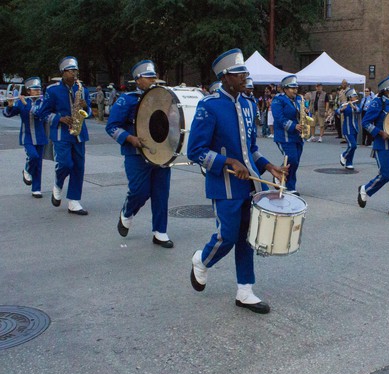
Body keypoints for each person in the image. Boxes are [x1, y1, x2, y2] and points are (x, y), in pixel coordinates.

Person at [187, 48, 287, 314]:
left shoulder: (248, 104)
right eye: (240, 73)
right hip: (225, 184)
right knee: (228, 235)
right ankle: (202, 259)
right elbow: (195, 150)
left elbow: (251, 147)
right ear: (225, 76)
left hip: (250, 185)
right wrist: (227, 162)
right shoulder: (209, 106)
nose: (246, 76)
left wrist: (268, 166)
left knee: (247, 238)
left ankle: (245, 290)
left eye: (245, 72)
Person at [105, 60, 173, 248]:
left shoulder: (162, 97)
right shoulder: (127, 99)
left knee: (161, 193)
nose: (153, 80)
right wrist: (129, 138)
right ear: (138, 79)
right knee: (139, 191)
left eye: (153, 76)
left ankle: (160, 232)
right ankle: (127, 212)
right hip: (136, 154)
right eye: (148, 77)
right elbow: (111, 127)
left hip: (161, 152)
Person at [37, 56, 91, 215]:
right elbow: (43, 114)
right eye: (71, 70)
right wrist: (59, 118)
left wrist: (85, 107)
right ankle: (58, 184)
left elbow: (87, 113)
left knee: (79, 168)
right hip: (61, 133)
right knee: (66, 164)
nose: (75, 73)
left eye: (76, 70)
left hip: (79, 133)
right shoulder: (52, 90)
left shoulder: (82, 89)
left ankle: (74, 201)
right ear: (63, 72)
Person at [358, 74, 389, 218]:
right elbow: (365, 122)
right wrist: (379, 132)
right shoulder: (377, 103)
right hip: (382, 145)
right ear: (385, 90)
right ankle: (365, 189)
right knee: (385, 175)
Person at [3, 77, 47, 198]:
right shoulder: (21, 103)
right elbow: (7, 114)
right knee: (33, 156)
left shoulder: (43, 103)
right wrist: (10, 106)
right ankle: (27, 170)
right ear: (28, 92)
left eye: (39, 90)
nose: (38, 92)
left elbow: (38, 114)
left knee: (38, 163)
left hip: (40, 137)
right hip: (26, 137)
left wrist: (25, 104)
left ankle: (36, 189)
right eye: (35, 90)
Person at [271, 74, 304, 195]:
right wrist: (293, 126)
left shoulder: (299, 99)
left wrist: (306, 114)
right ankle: (290, 187)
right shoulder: (278, 99)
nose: (295, 90)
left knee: (294, 161)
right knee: (292, 159)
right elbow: (278, 117)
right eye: (292, 88)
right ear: (285, 89)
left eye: (296, 88)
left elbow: (303, 113)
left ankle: (279, 173)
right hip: (284, 136)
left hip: (297, 136)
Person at [339, 88, 360, 170]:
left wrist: (353, 107)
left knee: (352, 146)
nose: (356, 98)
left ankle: (349, 163)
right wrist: (342, 109)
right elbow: (337, 111)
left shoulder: (355, 105)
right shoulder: (344, 105)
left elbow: (359, 111)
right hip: (347, 129)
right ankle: (344, 155)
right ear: (350, 97)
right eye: (354, 96)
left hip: (355, 128)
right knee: (353, 145)